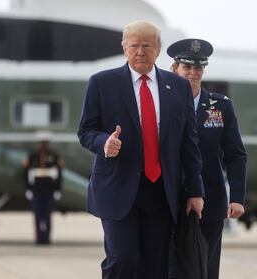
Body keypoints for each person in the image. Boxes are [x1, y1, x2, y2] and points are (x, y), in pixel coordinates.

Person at [77, 21, 205, 279]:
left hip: (161, 190)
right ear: (124, 48)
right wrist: (104, 143)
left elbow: (188, 144)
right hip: (117, 186)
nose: (140, 52)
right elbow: (86, 131)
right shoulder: (102, 83)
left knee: (155, 265)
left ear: (158, 49)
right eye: (134, 46)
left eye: (146, 46)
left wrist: (195, 191)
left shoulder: (178, 87)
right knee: (122, 258)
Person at [167, 39, 247, 279]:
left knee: (206, 269)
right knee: (171, 269)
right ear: (175, 69)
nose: (193, 72)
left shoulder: (220, 107)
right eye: (187, 67)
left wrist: (237, 198)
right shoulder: (162, 104)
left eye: (198, 67)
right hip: (169, 199)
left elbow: (236, 155)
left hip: (210, 202)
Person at [24, 132, 63, 244]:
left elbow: (59, 174)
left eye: (45, 143)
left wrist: (58, 189)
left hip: (49, 190)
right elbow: (26, 173)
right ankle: (38, 238)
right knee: (37, 215)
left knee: (47, 215)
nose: (43, 145)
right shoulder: (33, 156)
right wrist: (28, 188)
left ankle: (46, 238)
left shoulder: (54, 156)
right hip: (36, 190)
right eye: (42, 143)